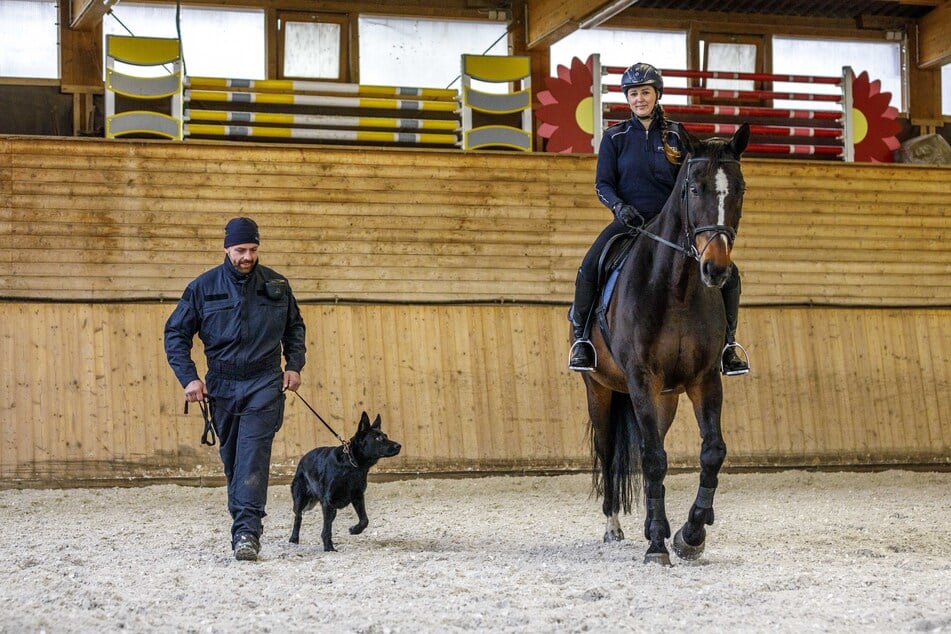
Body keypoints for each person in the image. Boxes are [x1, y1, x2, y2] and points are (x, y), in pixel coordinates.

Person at [568, 62, 750, 376]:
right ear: (627, 98)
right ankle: (583, 338)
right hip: (630, 221)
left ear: (657, 94)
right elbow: (603, 184)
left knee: (729, 274)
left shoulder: (679, 135)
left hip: (671, 226)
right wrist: (619, 207)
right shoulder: (615, 137)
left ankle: (728, 346)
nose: (640, 99)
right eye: (634, 93)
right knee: (590, 265)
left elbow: (695, 179)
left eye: (646, 92)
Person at [164, 217, 307, 561]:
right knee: (233, 461)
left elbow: (295, 328)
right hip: (222, 386)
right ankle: (243, 520)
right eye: (241, 250)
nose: (247, 256)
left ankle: (246, 532)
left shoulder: (277, 284)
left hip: (265, 382)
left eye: (253, 250)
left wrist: (294, 366)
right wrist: (189, 378)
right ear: (226, 248)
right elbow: (175, 335)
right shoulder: (203, 288)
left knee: (252, 456)